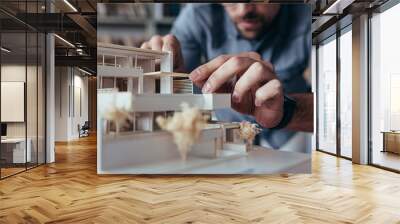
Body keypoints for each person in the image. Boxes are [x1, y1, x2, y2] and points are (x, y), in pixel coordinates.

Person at [141, 3, 313, 152]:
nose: (244, 10)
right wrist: (163, 74)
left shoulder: (309, 13)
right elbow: (178, 78)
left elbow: (336, 106)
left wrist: (286, 112)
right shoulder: (197, 14)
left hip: (292, 129)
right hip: (225, 134)